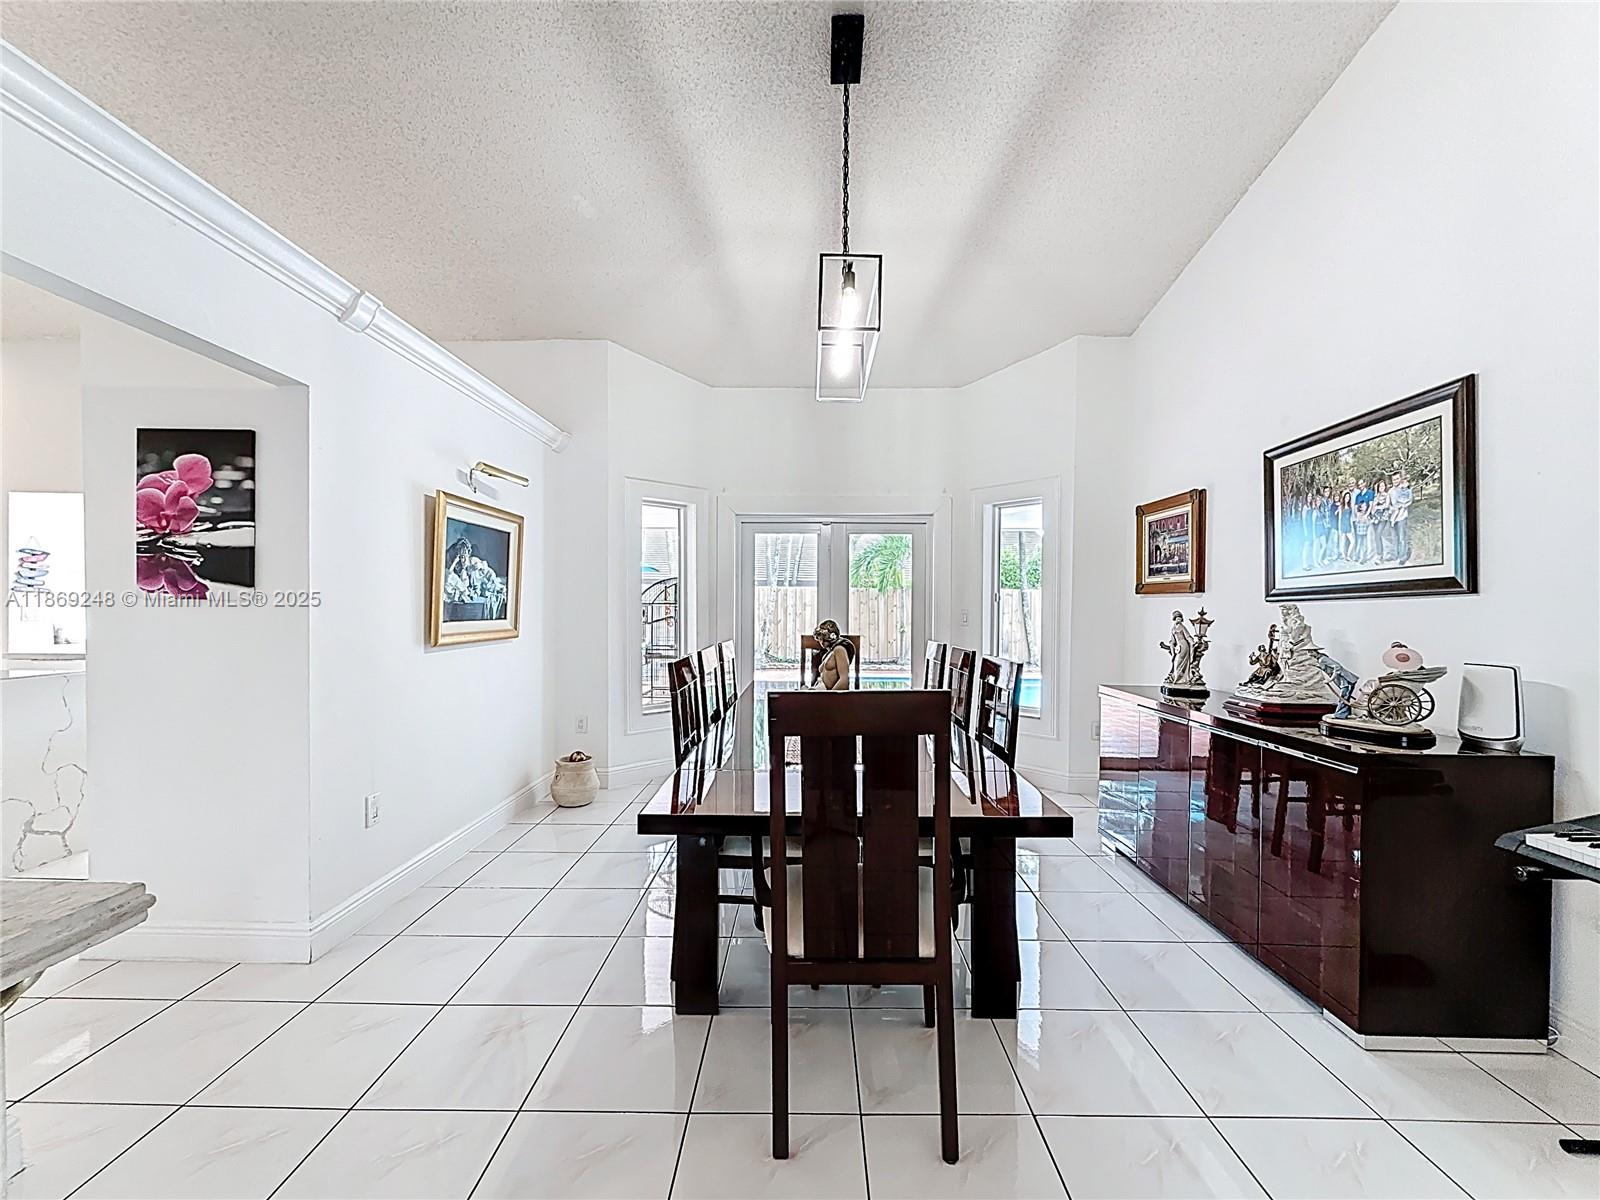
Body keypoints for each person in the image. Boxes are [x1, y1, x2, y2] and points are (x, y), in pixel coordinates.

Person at [809, 619, 854, 690]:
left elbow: (844, 681)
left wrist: (829, 698)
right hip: (820, 689)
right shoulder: (827, 654)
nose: (821, 641)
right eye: (820, 638)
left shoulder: (839, 650)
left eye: (824, 637)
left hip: (829, 695)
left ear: (832, 636)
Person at [1389, 470, 1414, 565]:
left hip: (1402, 517)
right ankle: (1396, 555)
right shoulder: (1390, 491)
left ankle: (1403, 557)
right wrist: (1392, 509)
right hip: (1393, 518)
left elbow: (1409, 501)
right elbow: (1389, 504)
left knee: (1402, 538)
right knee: (1394, 537)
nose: (1395, 481)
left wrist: (1403, 506)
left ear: (1400, 479)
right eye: (1393, 479)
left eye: (1397, 479)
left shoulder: (1405, 489)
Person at [1370, 483, 1393, 563]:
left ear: (1385, 487)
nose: (1381, 487)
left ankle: (1380, 556)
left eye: (1383, 486)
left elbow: (1386, 505)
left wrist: (1378, 507)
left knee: (1378, 534)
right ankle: (1379, 554)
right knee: (1377, 537)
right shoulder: (1376, 496)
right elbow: (1373, 505)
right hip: (1375, 517)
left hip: (1383, 517)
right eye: (1380, 486)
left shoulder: (1387, 495)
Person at [1338, 489, 1356, 561]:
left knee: (1352, 541)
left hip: (1348, 525)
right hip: (1342, 525)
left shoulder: (1350, 507)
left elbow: (1351, 518)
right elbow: (1339, 519)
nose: (1347, 499)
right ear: (1344, 498)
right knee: (1342, 542)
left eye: (1348, 497)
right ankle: (1343, 555)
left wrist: (1352, 527)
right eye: (1346, 497)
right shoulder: (1341, 507)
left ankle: (1348, 555)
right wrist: (1339, 529)